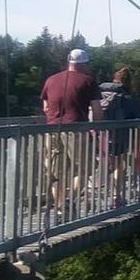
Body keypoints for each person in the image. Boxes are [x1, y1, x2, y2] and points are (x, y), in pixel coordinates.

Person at [41, 48, 103, 219]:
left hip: (52, 129)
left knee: (55, 172)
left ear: (69, 61)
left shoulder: (51, 80)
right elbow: (97, 110)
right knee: (85, 167)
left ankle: (60, 208)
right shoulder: (88, 81)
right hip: (77, 129)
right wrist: (96, 129)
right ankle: (71, 200)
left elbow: (45, 107)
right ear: (84, 64)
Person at [99, 67, 140, 207]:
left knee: (94, 166)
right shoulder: (126, 97)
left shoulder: (100, 94)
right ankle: (116, 197)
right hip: (117, 137)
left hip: (96, 135)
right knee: (118, 166)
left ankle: (73, 201)